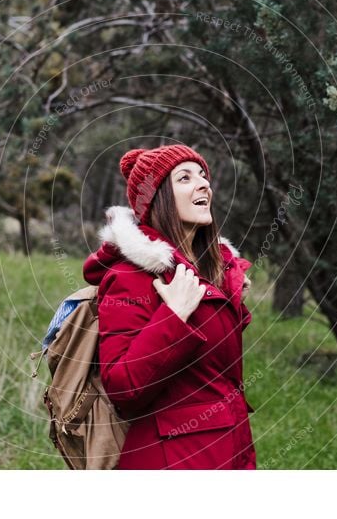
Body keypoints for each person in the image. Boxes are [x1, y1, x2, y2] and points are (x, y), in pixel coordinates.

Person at [82, 145, 256, 469]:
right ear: (157, 198)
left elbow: (210, 372)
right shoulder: (131, 276)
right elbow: (122, 388)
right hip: (175, 459)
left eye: (203, 176)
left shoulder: (207, 270)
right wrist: (173, 316)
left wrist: (231, 301)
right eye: (185, 178)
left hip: (231, 448)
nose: (204, 184)